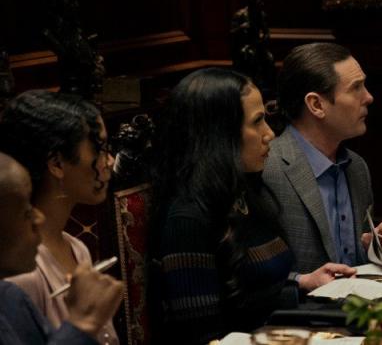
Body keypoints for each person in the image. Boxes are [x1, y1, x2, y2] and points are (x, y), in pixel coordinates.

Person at [148, 68, 354, 345]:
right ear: (219, 134)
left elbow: (252, 298)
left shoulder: (243, 192)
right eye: (257, 122)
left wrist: (302, 283)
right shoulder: (188, 219)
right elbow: (205, 338)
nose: (269, 134)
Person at [264, 43, 382, 276]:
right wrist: (302, 281)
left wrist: (375, 245)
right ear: (316, 105)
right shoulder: (269, 169)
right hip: (301, 310)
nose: (369, 97)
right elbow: (252, 280)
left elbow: (354, 263)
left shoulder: (357, 167)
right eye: (356, 88)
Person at [0, 90, 120, 344]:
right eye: (99, 149)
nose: (109, 161)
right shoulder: (23, 271)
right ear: (57, 163)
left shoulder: (77, 248)